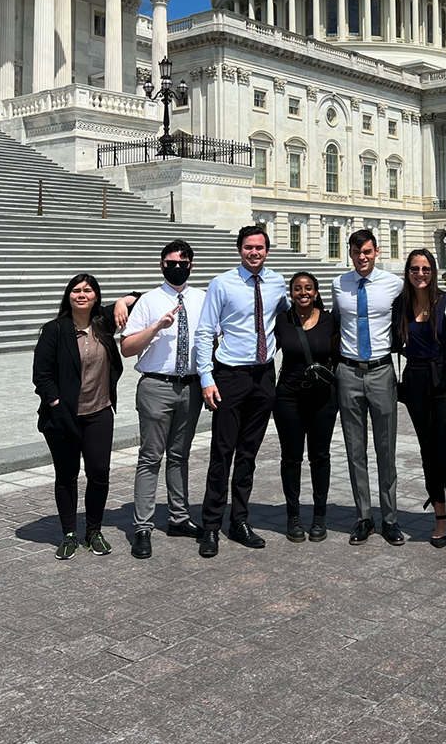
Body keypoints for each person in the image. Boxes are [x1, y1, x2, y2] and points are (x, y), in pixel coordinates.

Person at [194, 226, 287, 558]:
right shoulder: (222, 284)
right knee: (222, 451)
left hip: (263, 376)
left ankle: (240, 520)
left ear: (267, 250)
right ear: (239, 250)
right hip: (230, 376)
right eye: (249, 247)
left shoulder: (277, 283)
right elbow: (205, 332)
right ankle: (210, 525)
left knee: (248, 454)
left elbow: (290, 315)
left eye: (260, 247)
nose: (255, 253)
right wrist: (206, 377)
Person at [32, 274, 137, 560]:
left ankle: (93, 531)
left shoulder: (103, 323)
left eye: (88, 291)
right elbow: (41, 375)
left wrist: (122, 302)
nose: (82, 295)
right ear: (68, 296)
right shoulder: (55, 330)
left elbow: (138, 297)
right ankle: (68, 534)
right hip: (63, 417)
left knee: (99, 473)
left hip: (99, 412)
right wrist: (56, 402)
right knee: (66, 475)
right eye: (76, 290)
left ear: (96, 297)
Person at [121, 239, 206, 559]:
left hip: (192, 387)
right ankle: (142, 525)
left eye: (183, 263)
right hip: (156, 386)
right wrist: (158, 326)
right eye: (171, 262)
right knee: (150, 456)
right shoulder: (149, 301)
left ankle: (179, 517)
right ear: (161, 265)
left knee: (180, 454)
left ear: (191, 266)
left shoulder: (202, 298)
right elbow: (127, 348)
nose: (177, 267)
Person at [391, 248, 446, 550]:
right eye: (414, 269)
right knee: (427, 450)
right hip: (415, 381)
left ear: (433, 272)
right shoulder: (401, 305)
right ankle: (439, 514)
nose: (420, 274)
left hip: (444, 380)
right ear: (407, 272)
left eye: (425, 269)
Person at [332, 229, 404, 544]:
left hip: (381, 371)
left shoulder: (394, 284)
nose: (363, 257)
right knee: (354, 449)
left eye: (368, 252)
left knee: (386, 449)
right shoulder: (339, 284)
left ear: (376, 252)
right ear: (350, 253)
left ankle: (390, 518)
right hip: (348, 372)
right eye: (357, 252)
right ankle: (364, 517)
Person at [273, 271, 339, 543]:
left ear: (316, 292)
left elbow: (337, 354)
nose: (303, 293)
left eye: (309, 288)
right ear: (291, 293)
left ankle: (320, 515)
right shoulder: (282, 320)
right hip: (288, 396)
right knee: (291, 457)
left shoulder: (329, 320)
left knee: (320, 457)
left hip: (322, 398)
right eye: (298, 288)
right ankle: (293, 516)